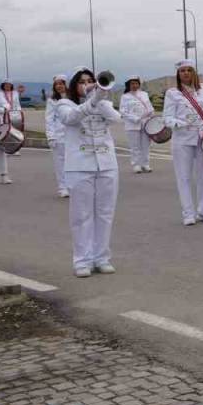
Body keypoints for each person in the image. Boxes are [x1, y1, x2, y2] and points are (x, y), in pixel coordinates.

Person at [55, 67, 122, 277]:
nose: (88, 85)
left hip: (107, 163)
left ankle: (101, 258)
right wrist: (92, 101)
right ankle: (82, 260)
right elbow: (70, 119)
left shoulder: (103, 103)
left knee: (105, 213)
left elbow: (116, 119)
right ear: (74, 86)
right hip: (79, 165)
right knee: (81, 215)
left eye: (90, 80)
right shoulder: (64, 104)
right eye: (82, 82)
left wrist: (99, 99)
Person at [163, 60, 203, 226]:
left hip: (202, 137)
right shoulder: (173, 93)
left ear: (194, 72)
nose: (186, 73)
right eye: (182, 71)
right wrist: (181, 123)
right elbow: (167, 118)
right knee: (184, 177)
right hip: (182, 139)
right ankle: (188, 213)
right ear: (178, 74)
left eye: (189, 70)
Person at [119, 75, 155, 173]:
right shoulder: (125, 96)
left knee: (146, 145)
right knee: (135, 146)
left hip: (145, 123)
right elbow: (123, 111)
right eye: (132, 83)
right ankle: (136, 165)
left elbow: (149, 107)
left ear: (139, 84)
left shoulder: (144, 94)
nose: (134, 85)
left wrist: (152, 114)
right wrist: (135, 118)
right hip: (132, 124)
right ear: (128, 85)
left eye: (136, 83)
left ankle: (145, 164)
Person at [46, 74, 71, 197]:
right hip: (59, 135)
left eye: (61, 83)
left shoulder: (73, 98)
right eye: (56, 84)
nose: (59, 86)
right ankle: (63, 187)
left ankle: (73, 185)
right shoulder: (52, 100)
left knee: (73, 162)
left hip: (73, 135)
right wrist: (51, 136)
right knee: (60, 163)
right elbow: (49, 119)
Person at [0, 79, 24, 156]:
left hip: (14, 115)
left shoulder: (15, 93)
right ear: (3, 85)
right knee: (6, 133)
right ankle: (5, 149)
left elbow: (17, 104)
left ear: (11, 85)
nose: (7, 86)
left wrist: (20, 112)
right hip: (4, 115)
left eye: (9, 84)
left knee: (15, 133)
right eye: (6, 84)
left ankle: (15, 149)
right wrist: (3, 110)